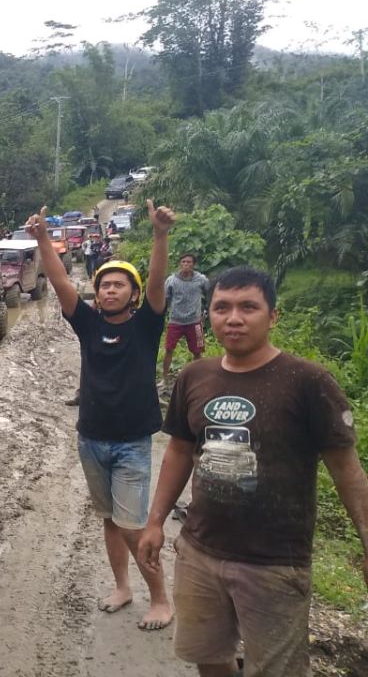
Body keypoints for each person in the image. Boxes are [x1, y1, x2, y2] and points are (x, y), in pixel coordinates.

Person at [138, 267, 368, 677]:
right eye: (222, 308)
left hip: (275, 562)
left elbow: (346, 471)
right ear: (209, 315)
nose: (234, 318)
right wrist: (155, 521)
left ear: (273, 316)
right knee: (208, 657)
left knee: (275, 669)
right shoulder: (195, 376)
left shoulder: (308, 381)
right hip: (200, 551)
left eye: (249, 307)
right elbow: (177, 451)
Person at [26, 198, 175, 631]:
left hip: (132, 443)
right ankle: (123, 587)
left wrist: (160, 235)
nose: (109, 290)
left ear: (133, 293)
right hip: (91, 439)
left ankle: (162, 598)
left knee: (133, 527)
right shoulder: (88, 324)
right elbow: (57, 281)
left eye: (118, 285)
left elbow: (159, 283)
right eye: (104, 285)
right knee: (111, 520)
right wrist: (41, 239)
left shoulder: (146, 326)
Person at [162, 253, 210, 385]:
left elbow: (209, 294)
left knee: (197, 351)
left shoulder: (201, 279)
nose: (185, 265)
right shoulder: (171, 280)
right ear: (179, 264)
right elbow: (166, 298)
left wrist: (205, 310)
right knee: (169, 349)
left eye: (189, 262)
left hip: (194, 321)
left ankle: (198, 378)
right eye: (183, 262)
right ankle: (164, 378)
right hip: (176, 320)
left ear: (193, 265)